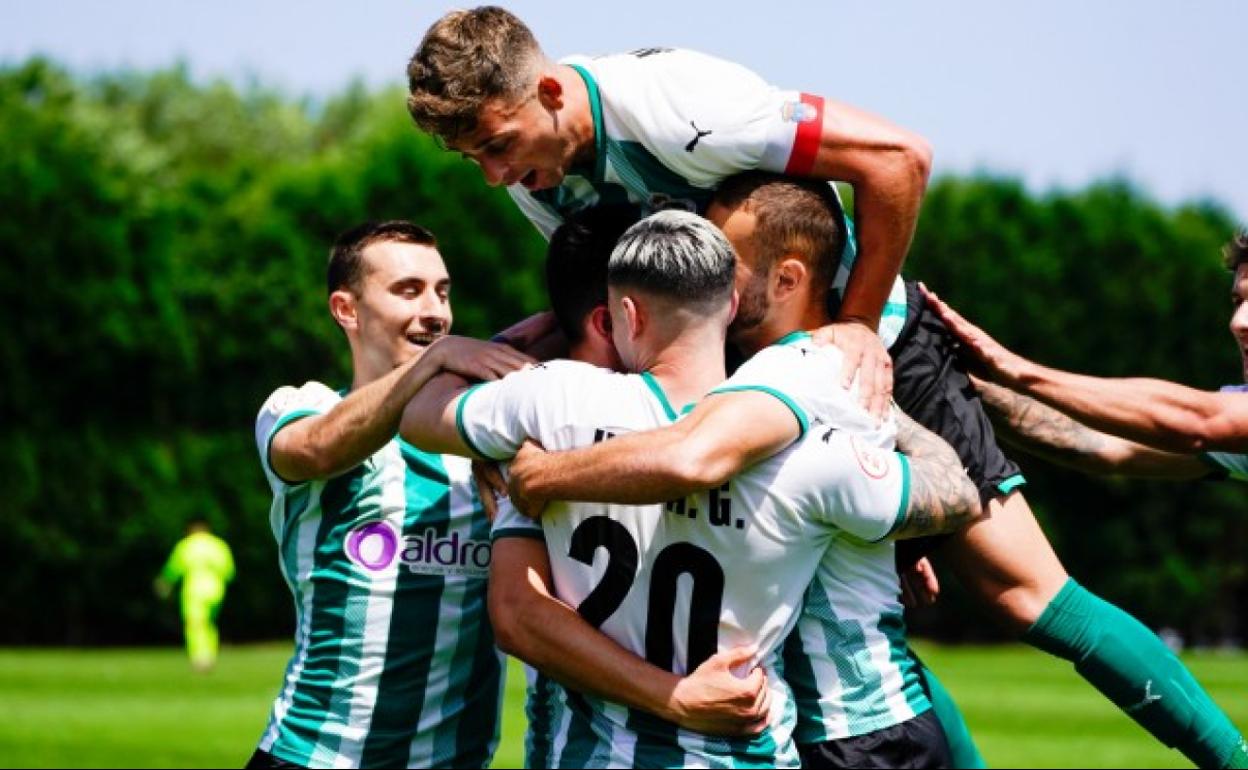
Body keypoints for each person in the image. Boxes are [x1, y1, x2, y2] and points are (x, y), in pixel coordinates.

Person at [505, 174, 1248, 769]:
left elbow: (1196, 425)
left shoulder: (819, 376)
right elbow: (1108, 450)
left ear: (788, 277)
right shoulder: (745, 371)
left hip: (852, 736)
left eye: (728, 267)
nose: (712, 285)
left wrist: (544, 472)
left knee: (1029, 600)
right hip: (813, 726)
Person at [400, 210, 983, 767]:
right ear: (730, 306)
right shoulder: (806, 448)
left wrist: (507, 344)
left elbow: (419, 412)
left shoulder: (551, 406)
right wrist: (884, 417)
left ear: (627, 314)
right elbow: (956, 494)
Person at [406, 5, 934, 418]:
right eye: (472, 159)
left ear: (548, 92)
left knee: (990, 552)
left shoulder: (680, 105)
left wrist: (860, 323)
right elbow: (626, 309)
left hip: (872, 352)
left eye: (497, 146)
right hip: (745, 387)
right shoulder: (535, 175)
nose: (493, 176)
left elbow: (897, 159)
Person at [248, 220, 536, 769]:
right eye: (408, 290)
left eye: (443, 291)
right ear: (346, 310)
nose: (435, 311)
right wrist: (437, 360)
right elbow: (314, 449)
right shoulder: (300, 405)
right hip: (319, 758)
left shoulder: (485, 439)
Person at [922, 231, 1248, 469]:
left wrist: (1018, 369)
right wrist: (960, 380)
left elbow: (1197, 422)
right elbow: (1096, 444)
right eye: (1238, 301)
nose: (1238, 322)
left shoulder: (1219, 422)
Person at [155, 519, 235, 672]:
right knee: (209, 624)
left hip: (194, 589)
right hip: (216, 589)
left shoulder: (187, 545)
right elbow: (229, 572)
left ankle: (200, 657)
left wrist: (165, 582)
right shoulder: (218, 545)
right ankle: (210, 655)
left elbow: (174, 567)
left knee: (195, 624)